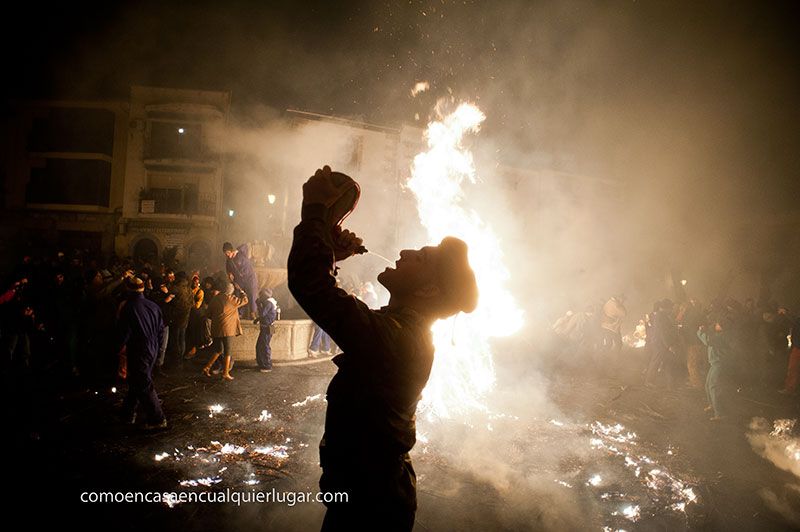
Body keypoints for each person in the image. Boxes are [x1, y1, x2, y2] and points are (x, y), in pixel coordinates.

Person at [287, 165, 479, 532]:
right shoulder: (402, 331)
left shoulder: (400, 340)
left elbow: (313, 287)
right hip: (372, 496)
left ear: (428, 291)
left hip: (370, 509)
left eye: (420, 257)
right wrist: (328, 251)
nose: (405, 251)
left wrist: (315, 213)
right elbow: (333, 299)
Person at [116, 277, 167, 430]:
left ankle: (157, 419)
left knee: (143, 383)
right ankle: (127, 414)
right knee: (136, 381)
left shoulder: (128, 307)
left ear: (128, 289)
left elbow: (124, 333)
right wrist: (158, 350)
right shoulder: (153, 306)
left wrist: (118, 349)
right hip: (152, 348)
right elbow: (161, 330)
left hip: (138, 349)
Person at [202, 281, 248, 381]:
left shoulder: (215, 299)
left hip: (217, 329)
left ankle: (207, 367)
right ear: (231, 291)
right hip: (228, 330)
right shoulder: (232, 299)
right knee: (228, 351)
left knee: (218, 350)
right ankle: (225, 373)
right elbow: (245, 300)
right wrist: (241, 291)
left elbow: (208, 314)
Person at [223, 241, 258, 320]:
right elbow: (228, 271)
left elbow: (246, 245)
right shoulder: (228, 261)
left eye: (227, 252)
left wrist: (237, 250)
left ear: (231, 251)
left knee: (252, 295)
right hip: (239, 281)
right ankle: (240, 314)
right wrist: (230, 275)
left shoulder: (241, 253)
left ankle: (253, 314)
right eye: (225, 253)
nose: (226, 255)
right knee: (239, 295)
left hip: (250, 278)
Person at [254, 288, 279, 372]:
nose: (259, 297)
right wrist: (257, 320)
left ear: (264, 296)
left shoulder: (268, 303)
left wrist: (258, 304)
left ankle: (266, 366)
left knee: (264, 346)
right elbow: (265, 315)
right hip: (268, 327)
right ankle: (262, 364)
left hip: (267, 328)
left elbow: (262, 314)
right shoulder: (270, 302)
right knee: (261, 345)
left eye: (260, 295)